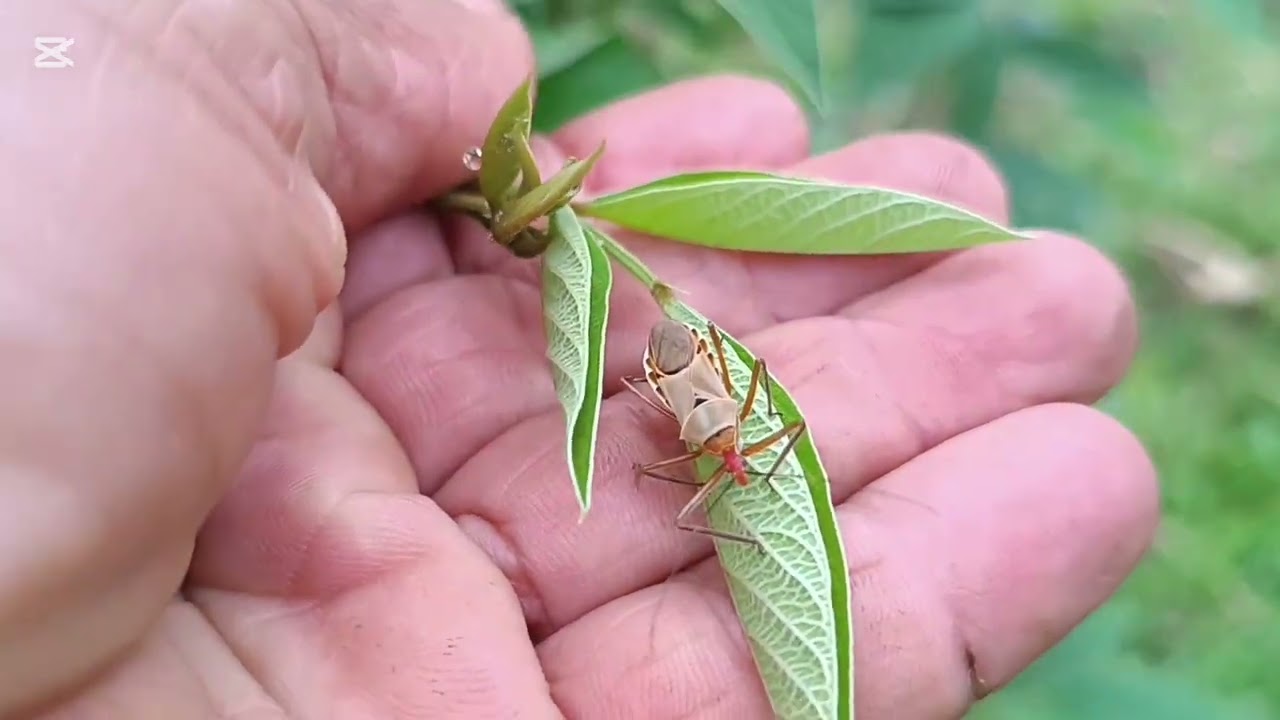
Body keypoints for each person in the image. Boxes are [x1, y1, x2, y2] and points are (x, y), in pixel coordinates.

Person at [5, 1, 1157, 718]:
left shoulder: (723, 444)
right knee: (692, 439)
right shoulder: (721, 439)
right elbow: (703, 440)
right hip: (685, 398)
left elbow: (710, 445)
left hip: (691, 401)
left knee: (697, 443)